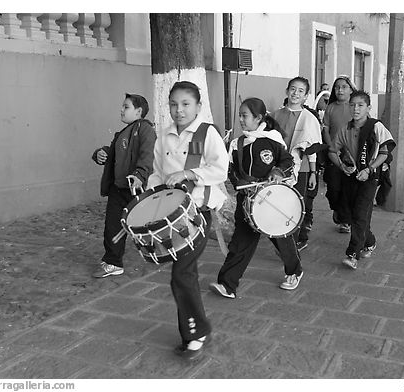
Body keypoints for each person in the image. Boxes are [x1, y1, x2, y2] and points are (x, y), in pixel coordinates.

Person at [146, 81, 229, 360]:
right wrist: (150, 199)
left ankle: (195, 331)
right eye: (173, 104)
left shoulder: (207, 133)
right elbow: (157, 174)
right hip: (173, 216)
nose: (179, 110)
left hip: (198, 215)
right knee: (185, 274)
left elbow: (220, 169)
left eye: (185, 104)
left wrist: (189, 174)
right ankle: (196, 329)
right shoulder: (164, 135)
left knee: (181, 274)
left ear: (198, 107)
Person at [210, 98, 301, 300]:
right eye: (240, 115)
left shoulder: (273, 139)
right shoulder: (237, 144)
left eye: (245, 116)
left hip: (272, 199)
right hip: (247, 200)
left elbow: (287, 161)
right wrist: (239, 183)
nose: (241, 120)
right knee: (241, 242)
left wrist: (277, 171)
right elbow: (231, 170)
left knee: (280, 238)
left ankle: (294, 270)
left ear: (258, 118)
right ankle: (227, 284)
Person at [328, 90, 395, 269]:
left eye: (360, 105)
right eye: (352, 105)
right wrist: (342, 166)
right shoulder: (345, 128)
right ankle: (369, 241)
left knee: (360, 214)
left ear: (368, 108)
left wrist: (369, 169)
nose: (355, 109)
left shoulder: (376, 126)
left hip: (370, 178)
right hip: (351, 177)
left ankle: (352, 254)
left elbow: (384, 152)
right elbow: (332, 151)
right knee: (354, 215)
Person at [91, 93, 156, 278]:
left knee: (143, 225)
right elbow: (114, 154)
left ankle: (161, 250)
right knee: (112, 225)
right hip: (117, 189)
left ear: (139, 111)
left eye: (126, 107)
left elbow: (147, 155)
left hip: (134, 188)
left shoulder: (145, 130)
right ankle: (113, 261)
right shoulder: (122, 134)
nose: (121, 110)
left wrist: (139, 175)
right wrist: (101, 153)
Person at [272, 77, 323, 251]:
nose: (296, 93)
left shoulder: (310, 119)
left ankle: (292, 242)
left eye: (301, 91)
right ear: (287, 91)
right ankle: (281, 236)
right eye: (293, 89)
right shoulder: (274, 116)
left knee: (295, 204)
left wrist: (313, 174)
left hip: (302, 170)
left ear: (306, 96)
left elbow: (312, 148)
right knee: (278, 203)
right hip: (278, 169)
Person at [322, 75, 357, 234]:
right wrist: (331, 147)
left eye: (343, 87)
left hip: (351, 155)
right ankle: (337, 209)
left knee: (348, 189)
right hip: (333, 153)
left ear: (351, 89)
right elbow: (326, 129)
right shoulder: (330, 108)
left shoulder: (356, 106)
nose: (340, 90)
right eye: (337, 87)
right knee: (333, 188)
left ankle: (345, 220)